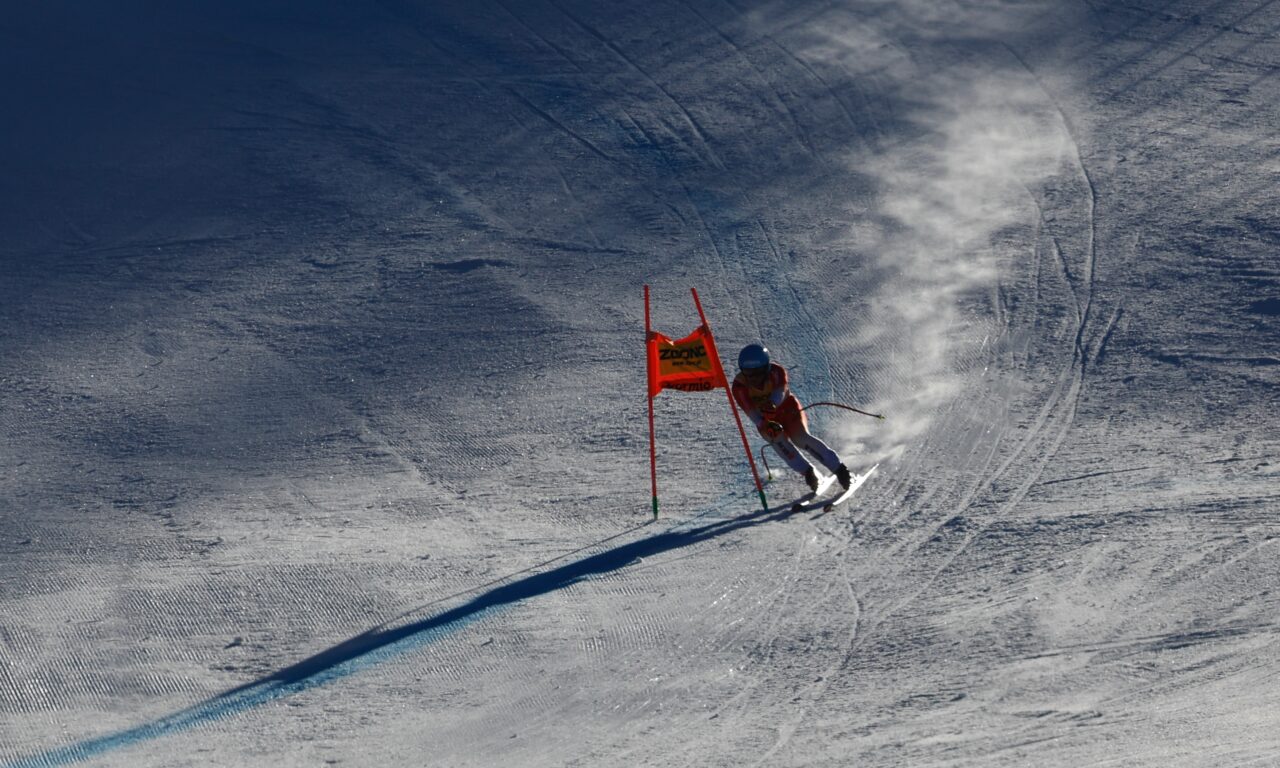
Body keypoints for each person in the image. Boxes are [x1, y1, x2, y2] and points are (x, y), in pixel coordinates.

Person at [731, 344, 851, 492]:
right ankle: (808, 472)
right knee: (778, 442)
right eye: (749, 373)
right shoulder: (739, 386)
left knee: (800, 438)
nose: (754, 379)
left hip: (788, 409)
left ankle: (839, 469)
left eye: (758, 372)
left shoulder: (777, 372)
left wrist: (772, 405)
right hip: (765, 418)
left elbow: (781, 392)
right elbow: (749, 411)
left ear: (767, 367)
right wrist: (763, 422)